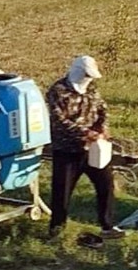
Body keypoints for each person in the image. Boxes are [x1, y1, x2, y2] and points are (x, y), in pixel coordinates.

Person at [46, 55, 125, 240]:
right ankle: (57, 231)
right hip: (66, 150)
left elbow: (102, 109)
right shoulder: (57, 91)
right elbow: (58, 121)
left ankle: (107, 226)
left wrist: (102, 129)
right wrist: (84, 132)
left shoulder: (92, 89)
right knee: (61, 192)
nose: (88, 80)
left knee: (105, 184)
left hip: (93, 149)